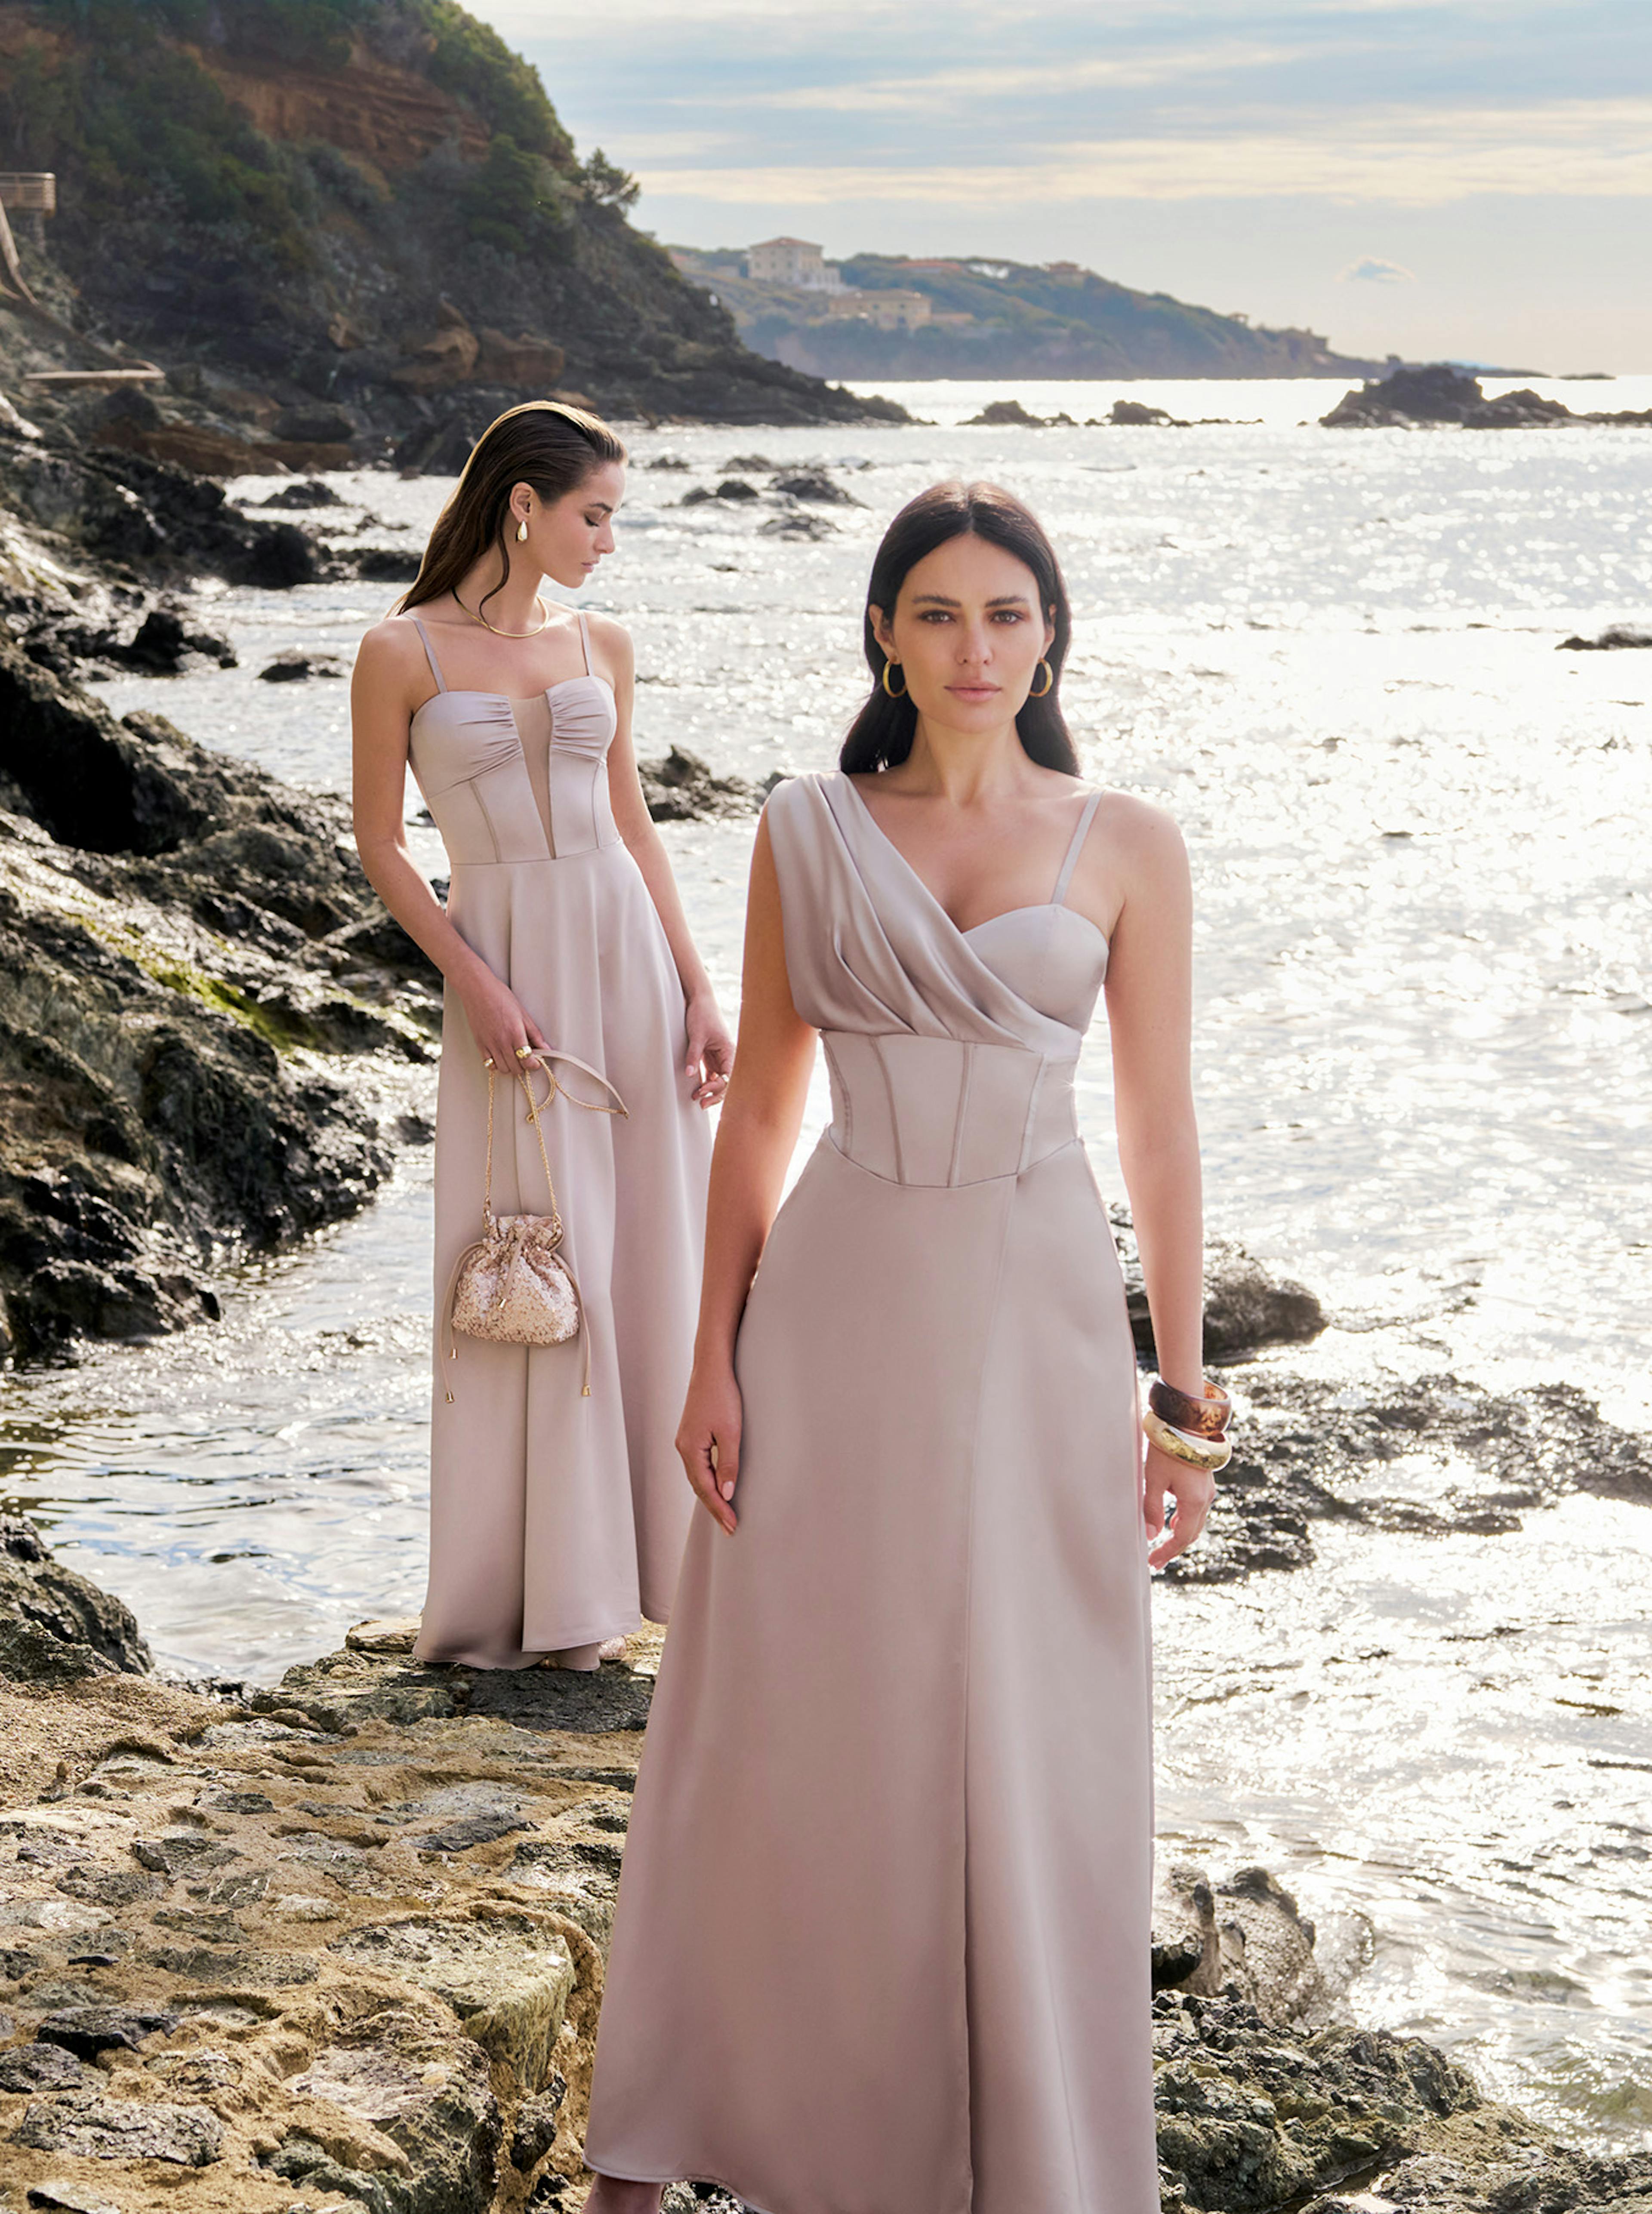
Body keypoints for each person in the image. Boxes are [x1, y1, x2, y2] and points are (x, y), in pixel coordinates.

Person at [581, 480, 1220, 2211]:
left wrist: (1185, 1398)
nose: (974, 648)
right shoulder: (804, 826)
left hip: (1038, 1315)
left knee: (1039, 1730)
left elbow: (1158, 1136)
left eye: (1006, 615)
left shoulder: (1127, 843)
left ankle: (1028, 2158)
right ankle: (701, 2134)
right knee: (786, 1726)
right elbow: (764, 1114)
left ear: (1051, 632)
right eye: (937, 614)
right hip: (841, 1309)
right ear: (882, 630)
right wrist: (711, 1359)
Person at [351, 400, 730, 1673]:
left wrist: (700, 986)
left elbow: (633, 826)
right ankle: (540, 1595)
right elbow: (382, 844)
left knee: (645, 1257)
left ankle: (655, 1575)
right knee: (530, 1269)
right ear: (526, 502)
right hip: (507, 975)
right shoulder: (400, 651)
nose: (608, 540)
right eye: (595, 514)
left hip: (627, 967)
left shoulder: (601, 644)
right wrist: (473, 980)